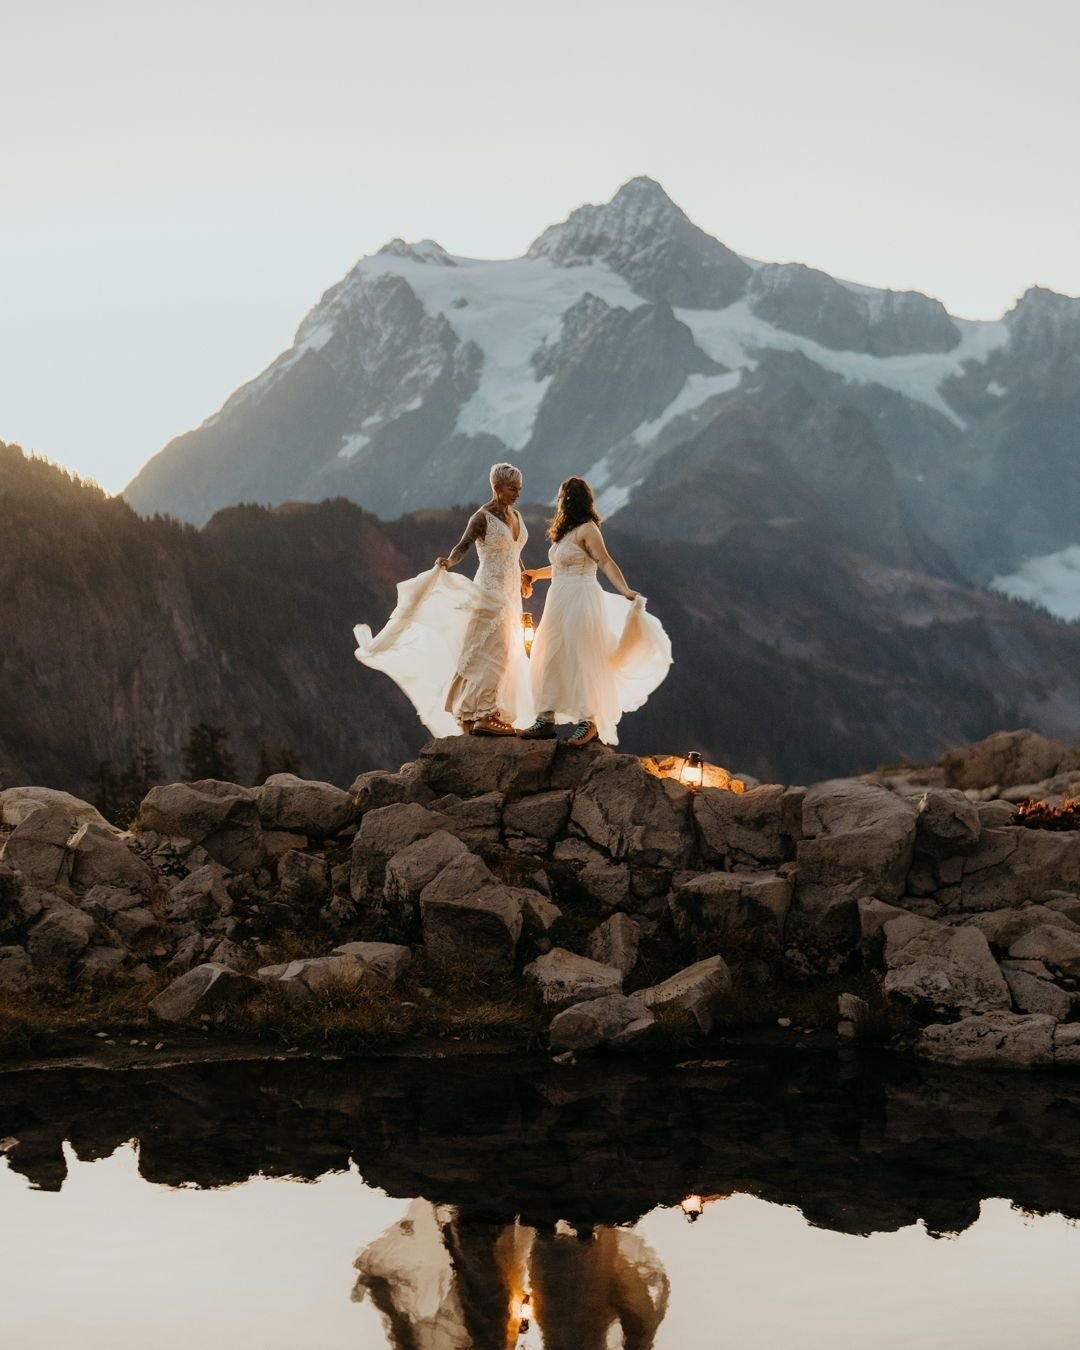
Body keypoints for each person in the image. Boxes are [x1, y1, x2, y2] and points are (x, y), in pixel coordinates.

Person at [353, 463, 534, 737]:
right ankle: (484, 714)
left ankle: (478, 711)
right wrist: (450, 561)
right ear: (497, 488)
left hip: (511, 593)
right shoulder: (482, 517)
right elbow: (464, 545)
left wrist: (523, 577)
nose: (517, 493)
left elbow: (513, 550)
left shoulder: (515, 515)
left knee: (507, 651)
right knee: (491, 652)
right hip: (491, 590)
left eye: (519, 488)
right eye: (513, 488)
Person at [519, 476, 671, 745]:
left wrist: (624, 590)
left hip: (581, 598)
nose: (557, 502)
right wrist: (536, 574)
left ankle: (587, 720)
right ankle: (545, 718)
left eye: (560, 497)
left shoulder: (588, 529)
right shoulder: (567, 532)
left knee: (580, 656)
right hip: (559, 600)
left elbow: (604, 561)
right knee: (549, 653)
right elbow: (562, 567)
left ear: (570, 500)